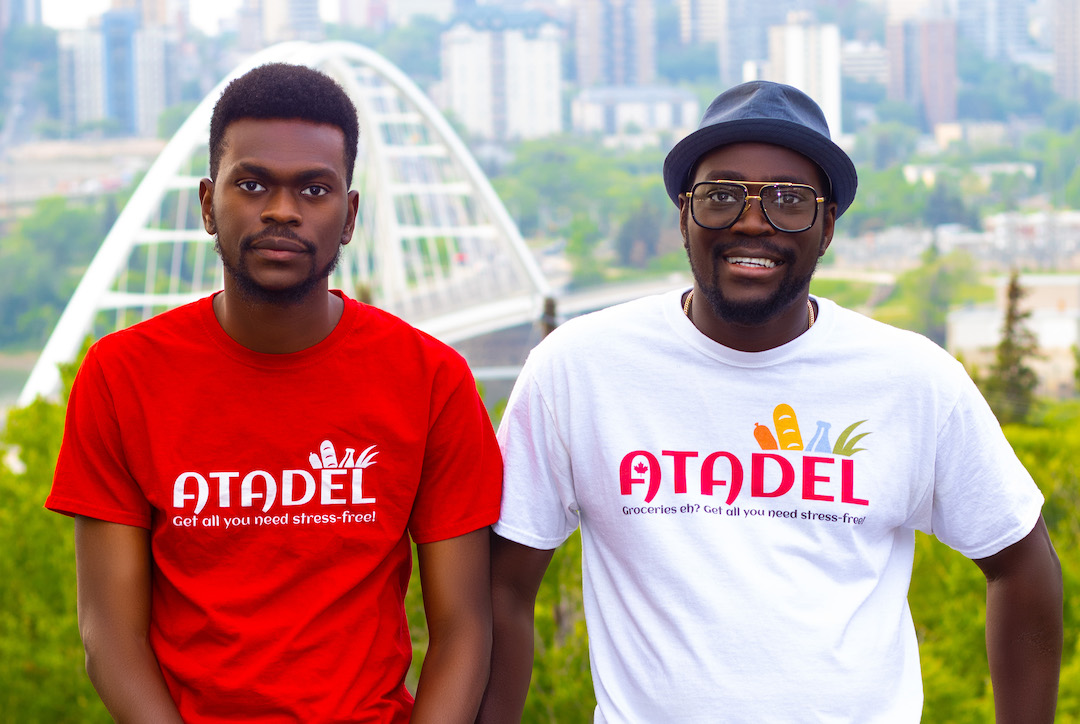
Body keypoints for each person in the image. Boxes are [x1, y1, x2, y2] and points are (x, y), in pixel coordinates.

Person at [478, 81, 1062, 723]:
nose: (752, 221)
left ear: (828, 225)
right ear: (683, 214)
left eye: (789, 200)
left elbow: (1022, 564)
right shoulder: (578, 369)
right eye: (722, 196)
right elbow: (501, 588)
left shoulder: (912, 380)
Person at [47, 62, 502, 723]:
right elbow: (107, 635)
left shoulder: (430, 380)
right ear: (207, 204)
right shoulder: (122, 377)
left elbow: (466, 627)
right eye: (252, 183)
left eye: (314, 190)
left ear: (349, 218)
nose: (282, 210)